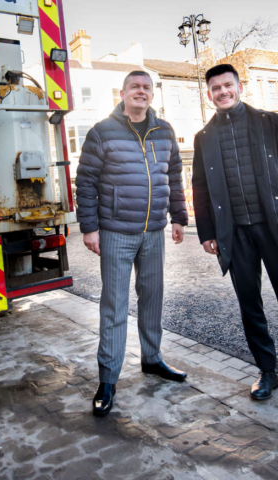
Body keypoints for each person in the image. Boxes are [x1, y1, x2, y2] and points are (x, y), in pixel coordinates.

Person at [75, 71, 188, 417]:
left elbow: (173, 176)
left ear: (152, 94)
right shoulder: (102, 131)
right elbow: (85, 181)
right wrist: (90, 228)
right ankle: (108, 379)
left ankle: (152, 359)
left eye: (146, 88)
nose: (141, 92)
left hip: (153, 231)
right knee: (115, 304)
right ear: (122, 92)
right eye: (135, 87)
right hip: (115, 233)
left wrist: (179, 217)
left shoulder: (164, 131)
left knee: (153, 296)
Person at [193, 64, 278, 401]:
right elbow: (199, 186)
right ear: (210, 93)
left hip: (273, 226)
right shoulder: (203, 138)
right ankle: (268, 370)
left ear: (240, 86)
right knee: (250, 304)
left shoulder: (270, 122)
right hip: (235, 233)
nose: (223, 92)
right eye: (216, 88)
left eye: (228, 85)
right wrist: (206, 232)